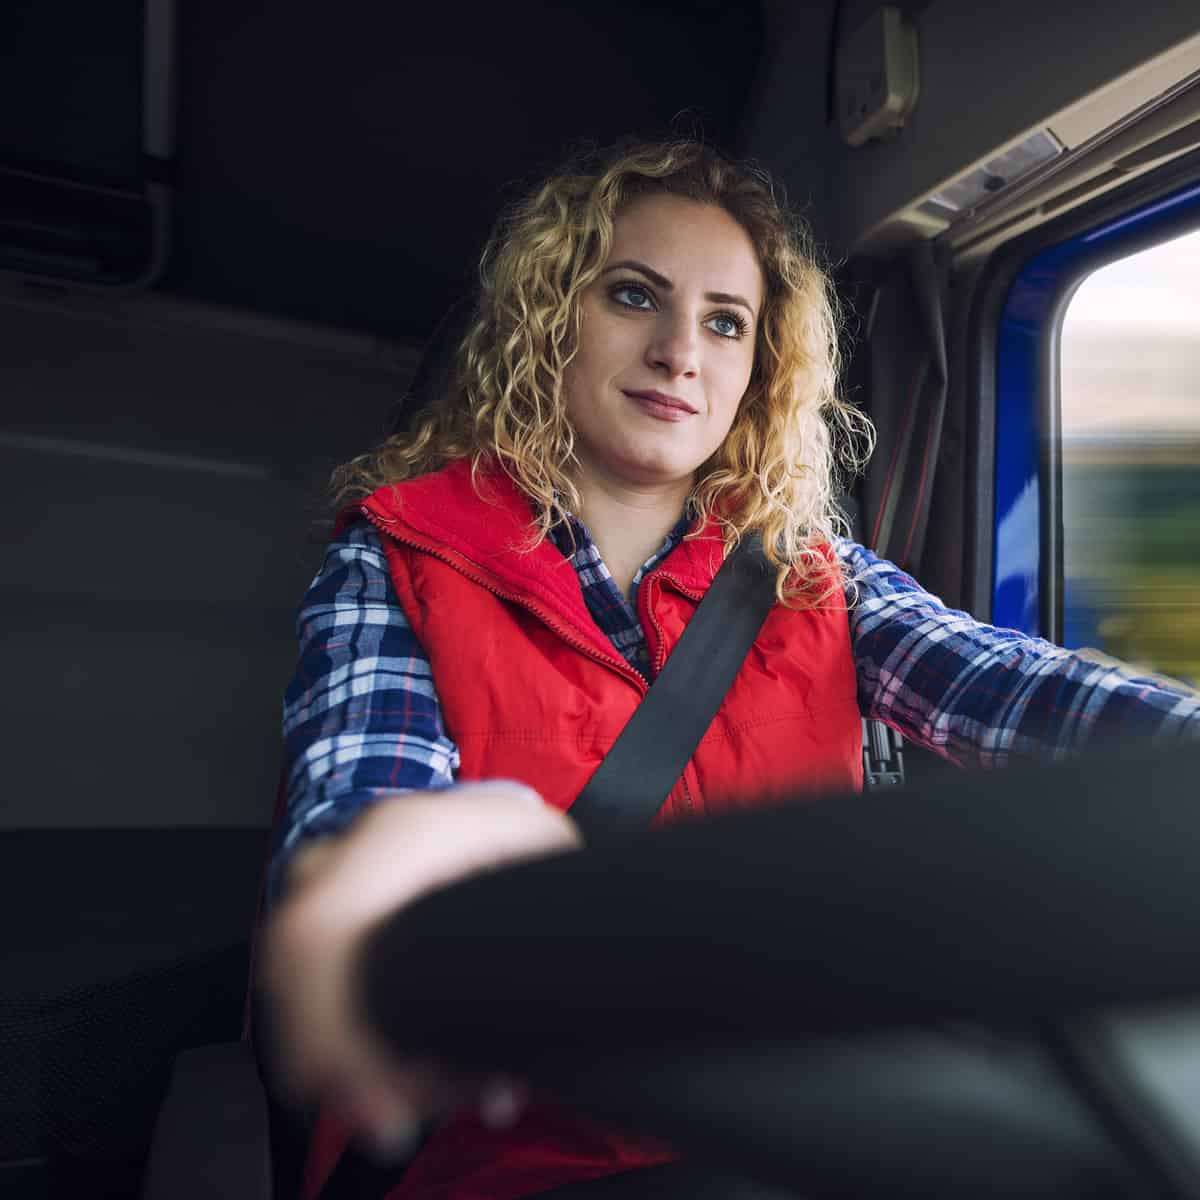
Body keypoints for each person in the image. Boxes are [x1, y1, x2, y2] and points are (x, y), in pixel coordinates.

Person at [258, 138, 1200, 1200]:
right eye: (632, 296)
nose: (679, 352)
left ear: (760, 367)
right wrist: (389, 867)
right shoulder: (399, 555)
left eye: (725, 322)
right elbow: (361, 790)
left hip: (814, 1133)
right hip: (507, 1152)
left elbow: (1013, 688)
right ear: (547, 319)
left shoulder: (811, 571)